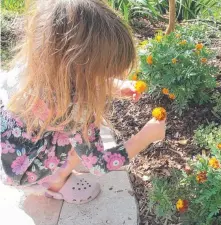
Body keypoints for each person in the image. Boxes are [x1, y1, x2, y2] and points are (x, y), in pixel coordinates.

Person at [0, 0, 166, 204]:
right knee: (81, 142)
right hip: (22, 169)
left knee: (76, 135)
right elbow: (100, 163)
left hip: (11, 146)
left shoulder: (35, 64)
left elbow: (76, 79)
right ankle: (55, 182)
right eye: (102, 72)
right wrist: (146, 136)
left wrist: (115, 86)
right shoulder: (73, 110)